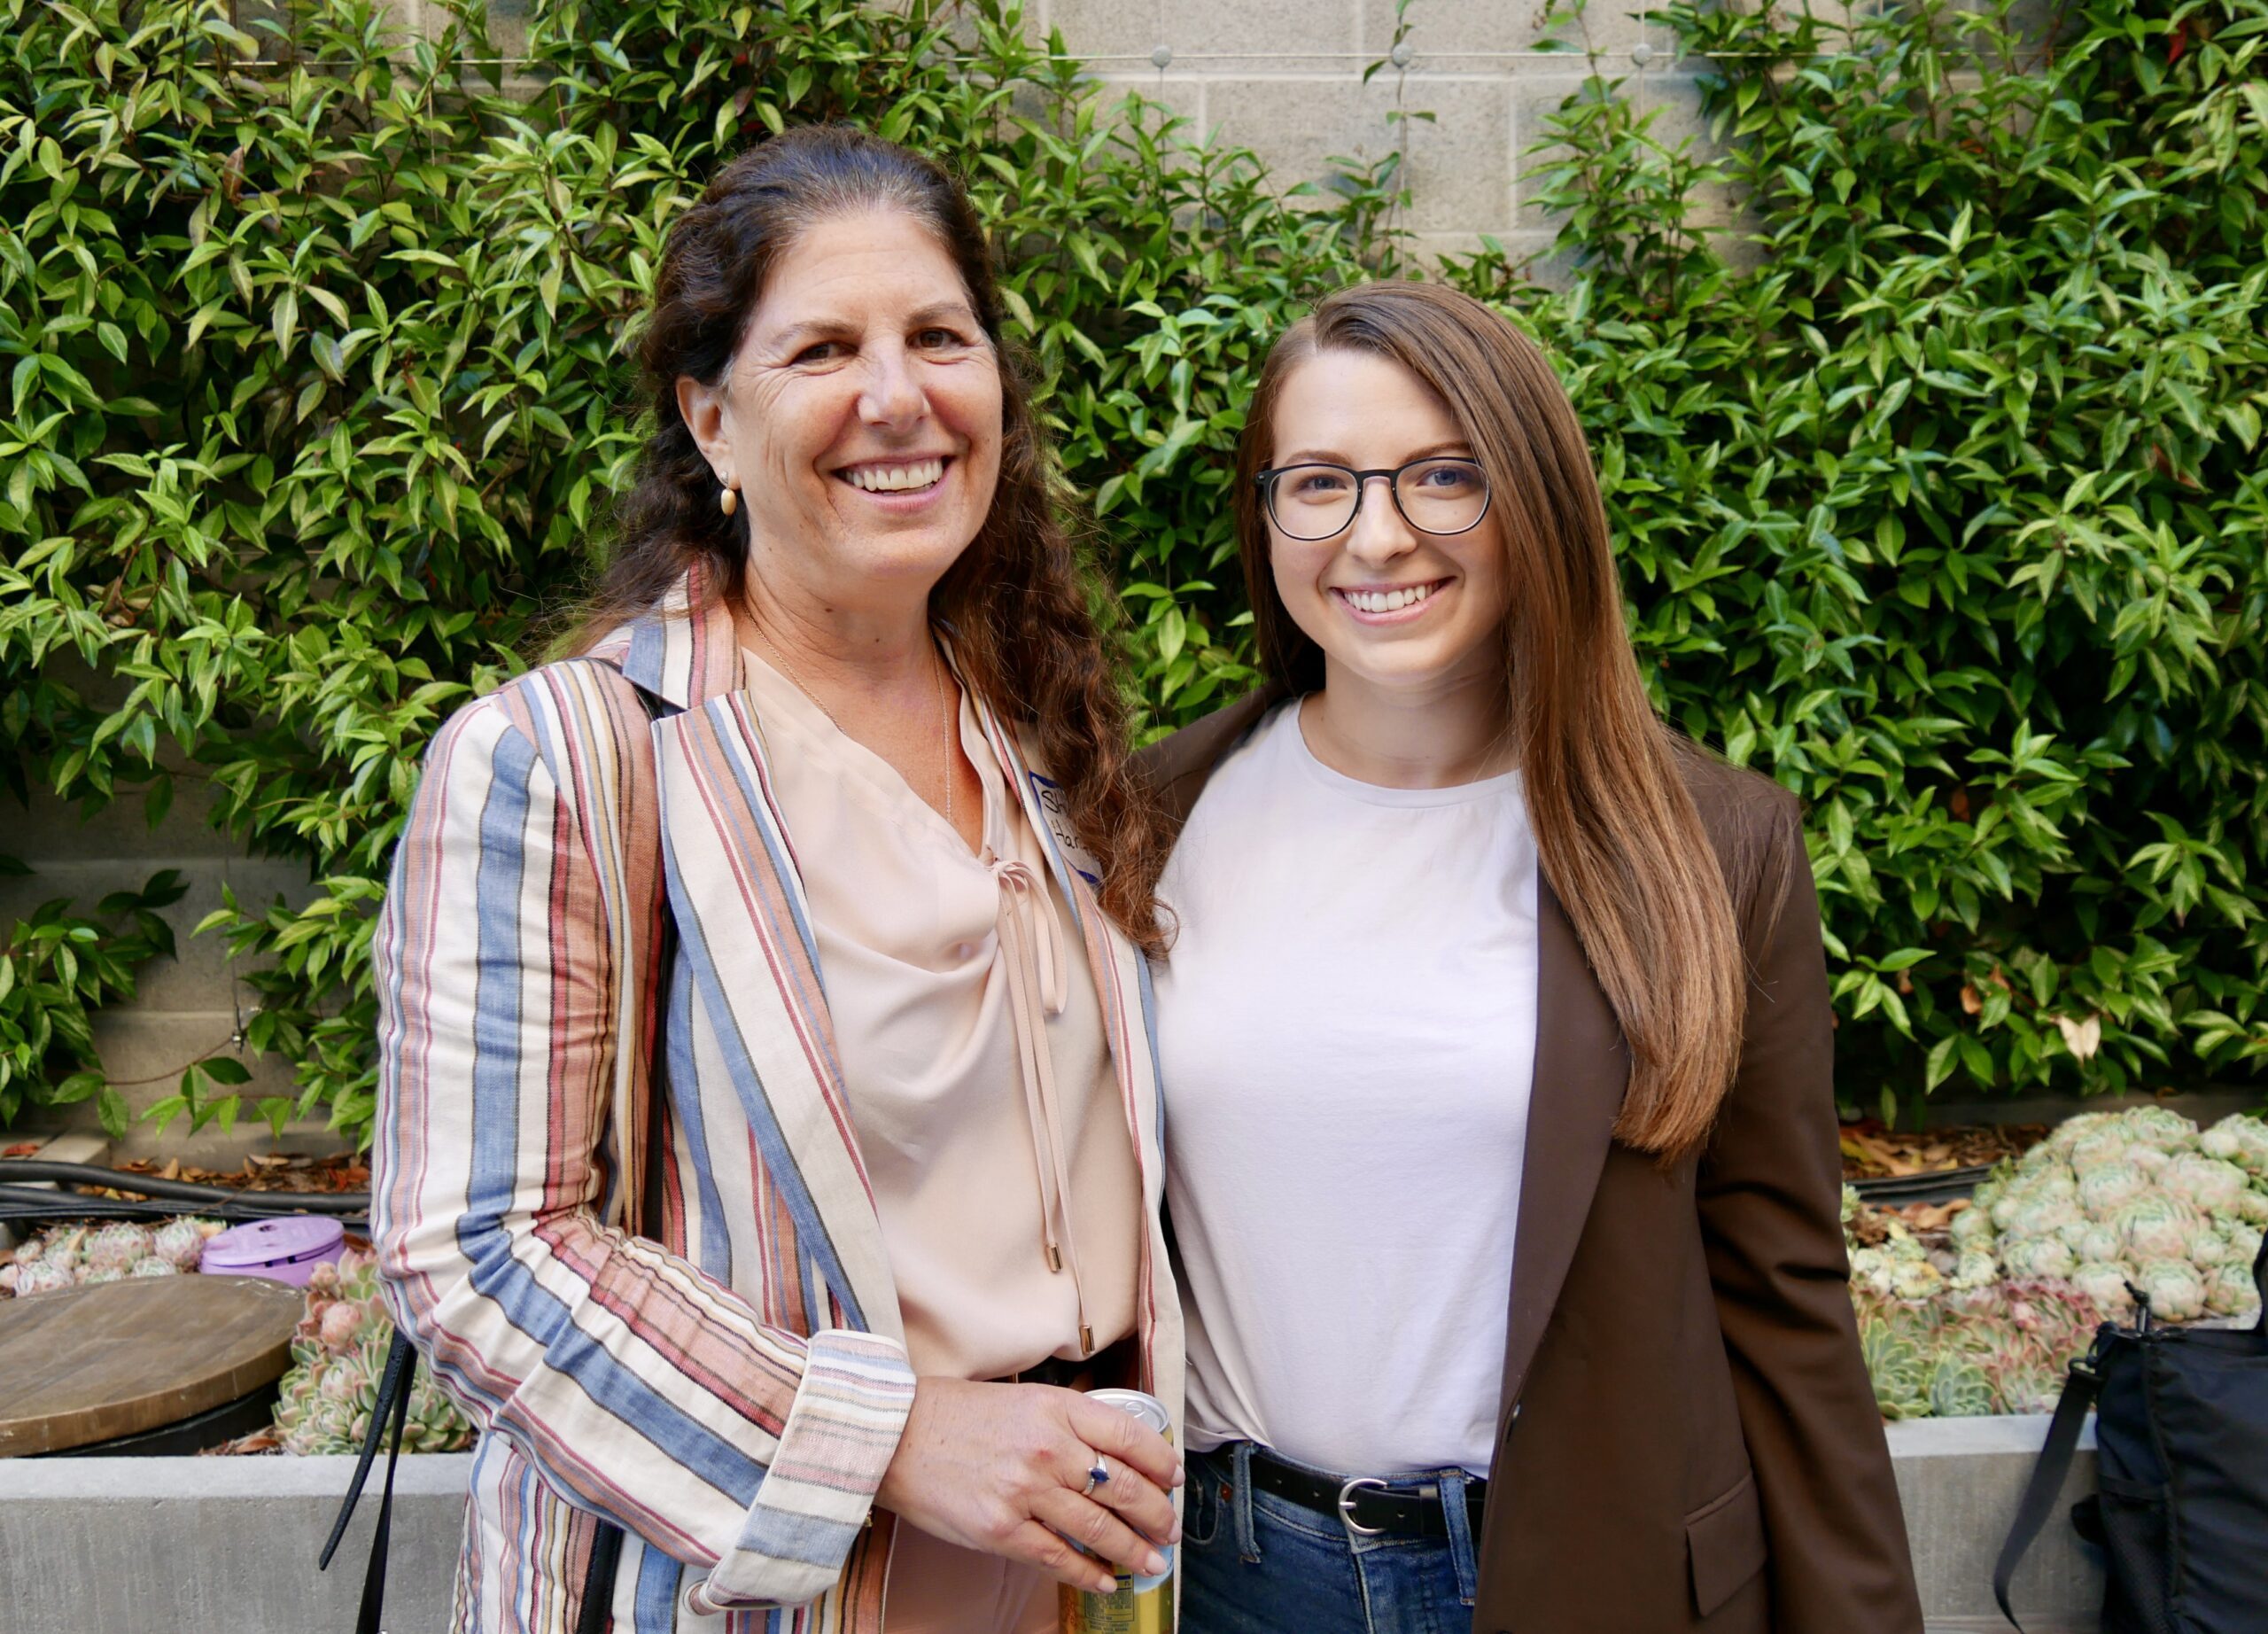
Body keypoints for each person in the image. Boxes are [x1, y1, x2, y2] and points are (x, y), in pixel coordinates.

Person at [370, 126, 1182, 1634]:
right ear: (714, 422)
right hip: (760, 1587)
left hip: (1075, 1574)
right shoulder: (568, 756)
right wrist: (893, 1438)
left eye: (940, 337)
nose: (899, 396)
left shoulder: (1039, 726)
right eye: (821, 348)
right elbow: (473, 1249)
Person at [1141, 281, 1924, 1634]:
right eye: (1318, 482)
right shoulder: (1147, 819)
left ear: (1538, 501)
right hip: (1231, 1579)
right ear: (1264, 513)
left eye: (1445, 476)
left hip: (1578, 1575)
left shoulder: (1710, 847)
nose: (1376, 537)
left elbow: (1785, 1299)